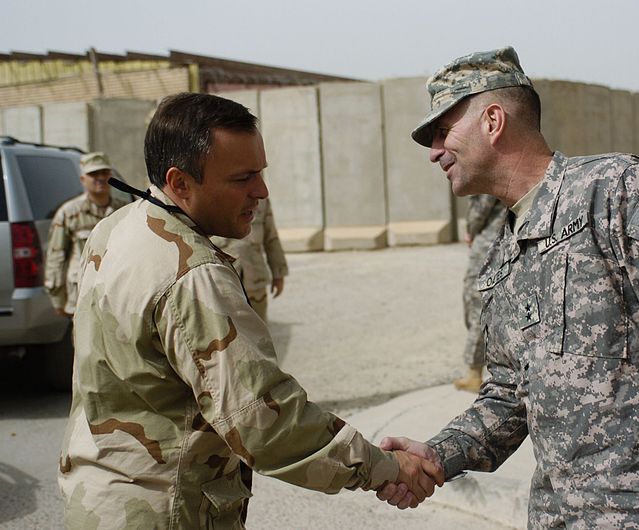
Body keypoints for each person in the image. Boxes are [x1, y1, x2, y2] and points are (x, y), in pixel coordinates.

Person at [377, 47, 639, 529]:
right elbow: (506, 398)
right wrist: (437, 455)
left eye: (442, 131)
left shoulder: (614, 191)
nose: (434, 151)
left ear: (493, 121)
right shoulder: (503, 252)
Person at [57, 92, 442, 528]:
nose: (261, 191)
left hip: (96, 503)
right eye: (242, 178)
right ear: (180, 183)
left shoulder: (116, 229)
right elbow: (263, 420)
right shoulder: (192, 274)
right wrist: (386, 468)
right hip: (163, 512)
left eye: (260, 173)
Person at [44, 152, 128, 317]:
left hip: (118, 296)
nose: (100, 178)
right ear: (83, 179)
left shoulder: (125, 211)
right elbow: (56, 256)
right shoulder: (69, 213)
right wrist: (58, 298)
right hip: (83, 296)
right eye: (93, 174)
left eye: (104, 173)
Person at [455, 194, 506, 392]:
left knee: (476, 303)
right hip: (502, 237)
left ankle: (474, 372)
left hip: (488, 241)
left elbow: (481, 206)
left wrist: (470, 230)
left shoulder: (490, 166)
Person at [211, 197, 288, 323]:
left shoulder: (261, 201)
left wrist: (278, 273)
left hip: (255, 279)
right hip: (223, 280)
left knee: (259, 325)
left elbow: (271, 237)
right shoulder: (214, 197)